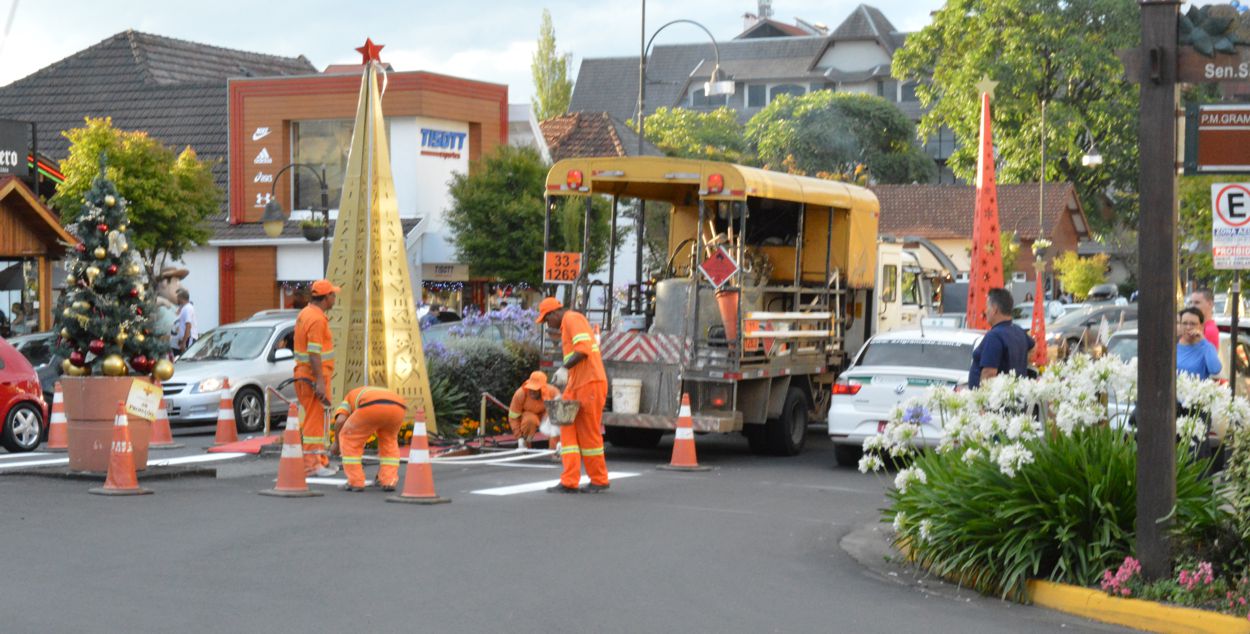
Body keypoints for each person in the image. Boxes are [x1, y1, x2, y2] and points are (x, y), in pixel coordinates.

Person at [537, 296, 610, 493]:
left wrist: (563, 368)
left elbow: (584, 350)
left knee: (588, 434)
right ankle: (569, 481)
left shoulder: (572, 319)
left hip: (590, 384)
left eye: (546, 319)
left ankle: (599, 480)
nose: (547, 324)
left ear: (554, 313)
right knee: (566, 429)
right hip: (578, 385)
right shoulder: (567, 325)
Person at [295, 278, 340, 477]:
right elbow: (315, 352)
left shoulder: (306, 313)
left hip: (306, 375)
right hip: (312, 378)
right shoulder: (316, 319)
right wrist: (320, 381)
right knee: (314, 422)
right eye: (333, 294)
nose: (335, 297)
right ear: (326, 297)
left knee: (316, 420)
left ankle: (320, 460)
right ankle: (313, 465)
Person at [328, 386, 406, 492]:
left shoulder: (348, 397)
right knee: (389, 442)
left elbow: (340, 420)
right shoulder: (368, 391)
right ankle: (388, 480)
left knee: (349, 438)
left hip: (372, 405)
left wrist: (336, 444)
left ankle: (355, 482)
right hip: (398, 406)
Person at [968, 287, 1035, 389]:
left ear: (995, 309)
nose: (986, 312)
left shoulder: (994, 336)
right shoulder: (1019, 331)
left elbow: (989, 373)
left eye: (987, 307)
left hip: (996, 401)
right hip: (1015, 394)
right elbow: (1033, 347)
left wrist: (981, 400)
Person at [508, 371, 560, 448]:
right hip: (529, 418)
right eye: (530, 388)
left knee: (554, 422)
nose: (532, 391)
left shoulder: (553, 392)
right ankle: (526, 447)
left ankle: (555, 452)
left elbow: (560, 416)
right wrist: (519, 437)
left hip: (547, 416)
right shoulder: (521, 393)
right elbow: (513, 417)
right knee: (529, 420)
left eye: (535, 389)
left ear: (542, 389)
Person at [1177, 307, 1221, 380]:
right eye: (1184, 323)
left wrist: (1203, 341)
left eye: (1193, 324)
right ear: (1180, 325)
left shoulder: (1206, 347)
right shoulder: (1172, 345)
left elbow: (1215, 370)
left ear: (1201, 326)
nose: (1188, 327)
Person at [173, 289, 198, 355]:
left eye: (177, 297)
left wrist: (184, 342)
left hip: (189, 339)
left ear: (181, 298)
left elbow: (188, 326)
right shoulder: (184, 308)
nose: (176, 299)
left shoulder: (188, 308)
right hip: (185, 339)